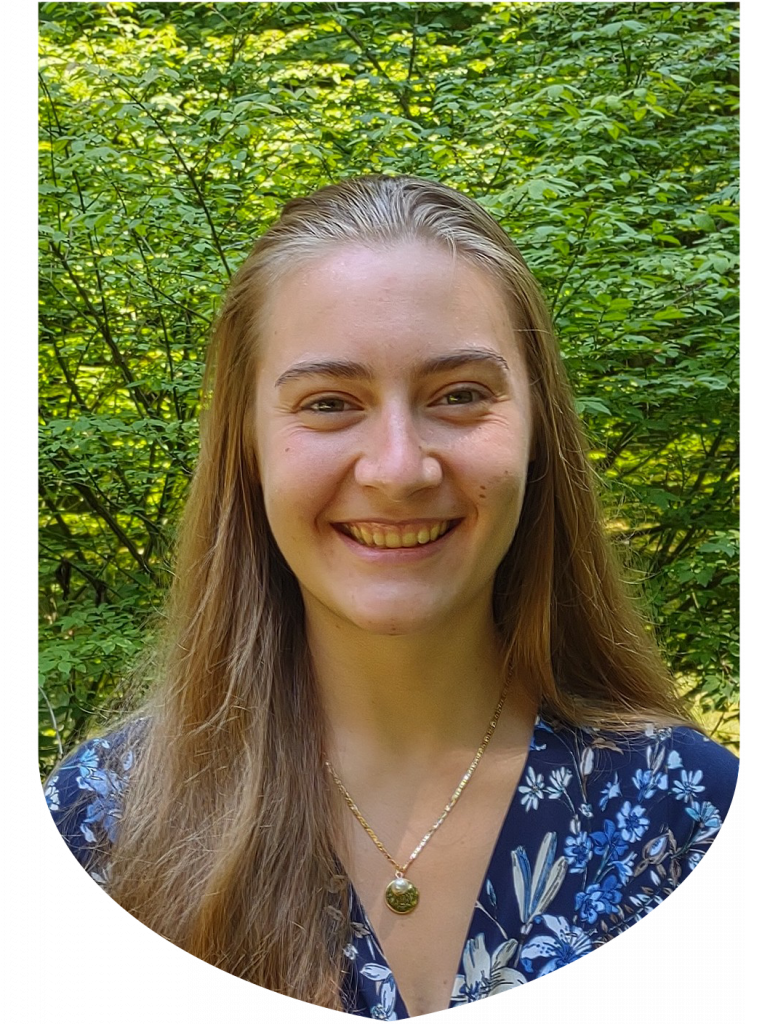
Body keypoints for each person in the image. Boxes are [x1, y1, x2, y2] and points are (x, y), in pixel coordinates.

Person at [45, 174, 738, 1017]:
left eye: (461, 395)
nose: (400, 468)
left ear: (538, 433)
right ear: (247, 447)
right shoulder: (101, 827)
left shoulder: (687, 816)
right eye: (330, 403)